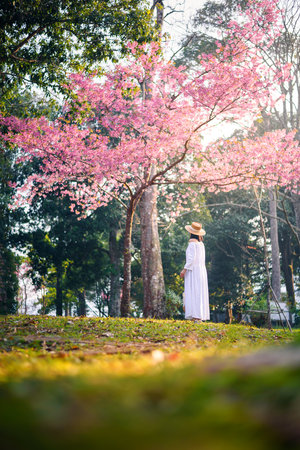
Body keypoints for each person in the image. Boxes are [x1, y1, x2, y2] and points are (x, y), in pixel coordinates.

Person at [180, 222, 210, 321]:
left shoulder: (192, 244)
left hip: (193, 271)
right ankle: (199, 314)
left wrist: (184, 270)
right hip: (201, 270)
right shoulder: (201, 245)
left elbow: (191, 259)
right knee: (199, 292)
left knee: (193, 291)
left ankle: (195, 315)